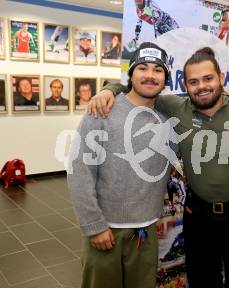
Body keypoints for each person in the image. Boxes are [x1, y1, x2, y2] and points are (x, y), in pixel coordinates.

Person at [87, 47, 229, 288]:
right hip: (199, 216)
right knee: (202, 279)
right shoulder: (177, 107)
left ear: (221, 77)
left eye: (208, 78)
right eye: (193, 81)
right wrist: (108, 89)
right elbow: (139, 88)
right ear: (184, 85)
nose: (201, 86)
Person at [68, 42, 173, 288]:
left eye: (158, 70)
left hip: (146, 232)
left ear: (165, 78)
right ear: (131, 74)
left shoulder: (167, 120)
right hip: (106, 231)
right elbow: (79, 172)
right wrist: (94, 226)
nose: (150, 75)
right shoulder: (102, 111)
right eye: (143, 68)